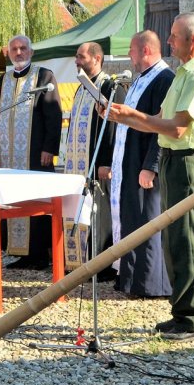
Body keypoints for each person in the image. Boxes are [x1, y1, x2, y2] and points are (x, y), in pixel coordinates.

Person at [107, 14, 194, 340]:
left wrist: (132, 115)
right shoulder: (183, 74)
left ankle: (193, 319)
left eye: (174, 36)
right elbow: (159, 119)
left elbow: (178, 127)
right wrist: (125, 118)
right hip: (174, 160)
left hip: (187, 162)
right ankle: (181, 311)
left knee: (185, 239)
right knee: (173, 240)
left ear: (193, 40)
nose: (169, 41)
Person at [104, 31, 173, 297]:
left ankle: (150, 284)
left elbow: (162, 126)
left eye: (131, 51)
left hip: (144, 163)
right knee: (132, 219)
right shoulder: (140, 79)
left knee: (147, 220)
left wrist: (151, 166)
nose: (129, 57)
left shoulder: (164, 79)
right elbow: (137, 119)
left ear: (145, 51)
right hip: (129, 161)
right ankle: (130, 278)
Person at [0, 34, 62, 268]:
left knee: (35, 199)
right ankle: (19, 251)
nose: (18, 53)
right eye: (14, 49)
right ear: (8, 53)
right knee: (13, 200)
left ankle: (39, 255)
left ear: (31, 52)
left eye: (23, 49)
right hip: (9, 154)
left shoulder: (44, 76)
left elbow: (54, 114)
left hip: (35, 151)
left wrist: (50, 148)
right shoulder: (5, 79)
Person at [62, 42, 117, 274]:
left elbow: (113, 125)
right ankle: (78, 262)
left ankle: (99, 266)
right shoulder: (82, 87)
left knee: (98, 213)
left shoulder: (109, 85)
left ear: (96, 58)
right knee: (78, 211)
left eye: (81, 57)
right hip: (77, 165)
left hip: (97, 166)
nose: (77, 61)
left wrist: (106, 161)